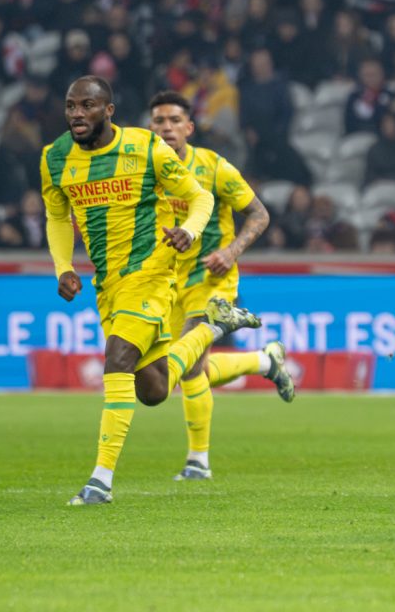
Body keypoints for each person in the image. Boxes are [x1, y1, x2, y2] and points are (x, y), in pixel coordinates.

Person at [42, 76, 262, 506]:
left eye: (87, 106)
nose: (76, 114)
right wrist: (64, 267)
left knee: (118, 357)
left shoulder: (144, 148)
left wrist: (191, 232)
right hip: (107, 282)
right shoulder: (55, 158)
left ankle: (100, 481)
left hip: (153, 272)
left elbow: (199, 199)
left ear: (109, 111)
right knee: (154, 390)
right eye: (70, 106)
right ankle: (212, 329)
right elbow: (56, 217)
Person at [148, 91, 295, 481]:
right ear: (150, 128)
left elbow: (259, 215)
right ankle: (265, 361)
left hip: (211, 279)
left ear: (189, 128)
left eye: (174, 121)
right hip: (165, 282)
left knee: (189, 363)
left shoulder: (214, 168)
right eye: (159, 121)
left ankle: (199, 461)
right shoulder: (143, 172)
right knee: (178, 370)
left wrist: (231, 251)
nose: (166, 128)